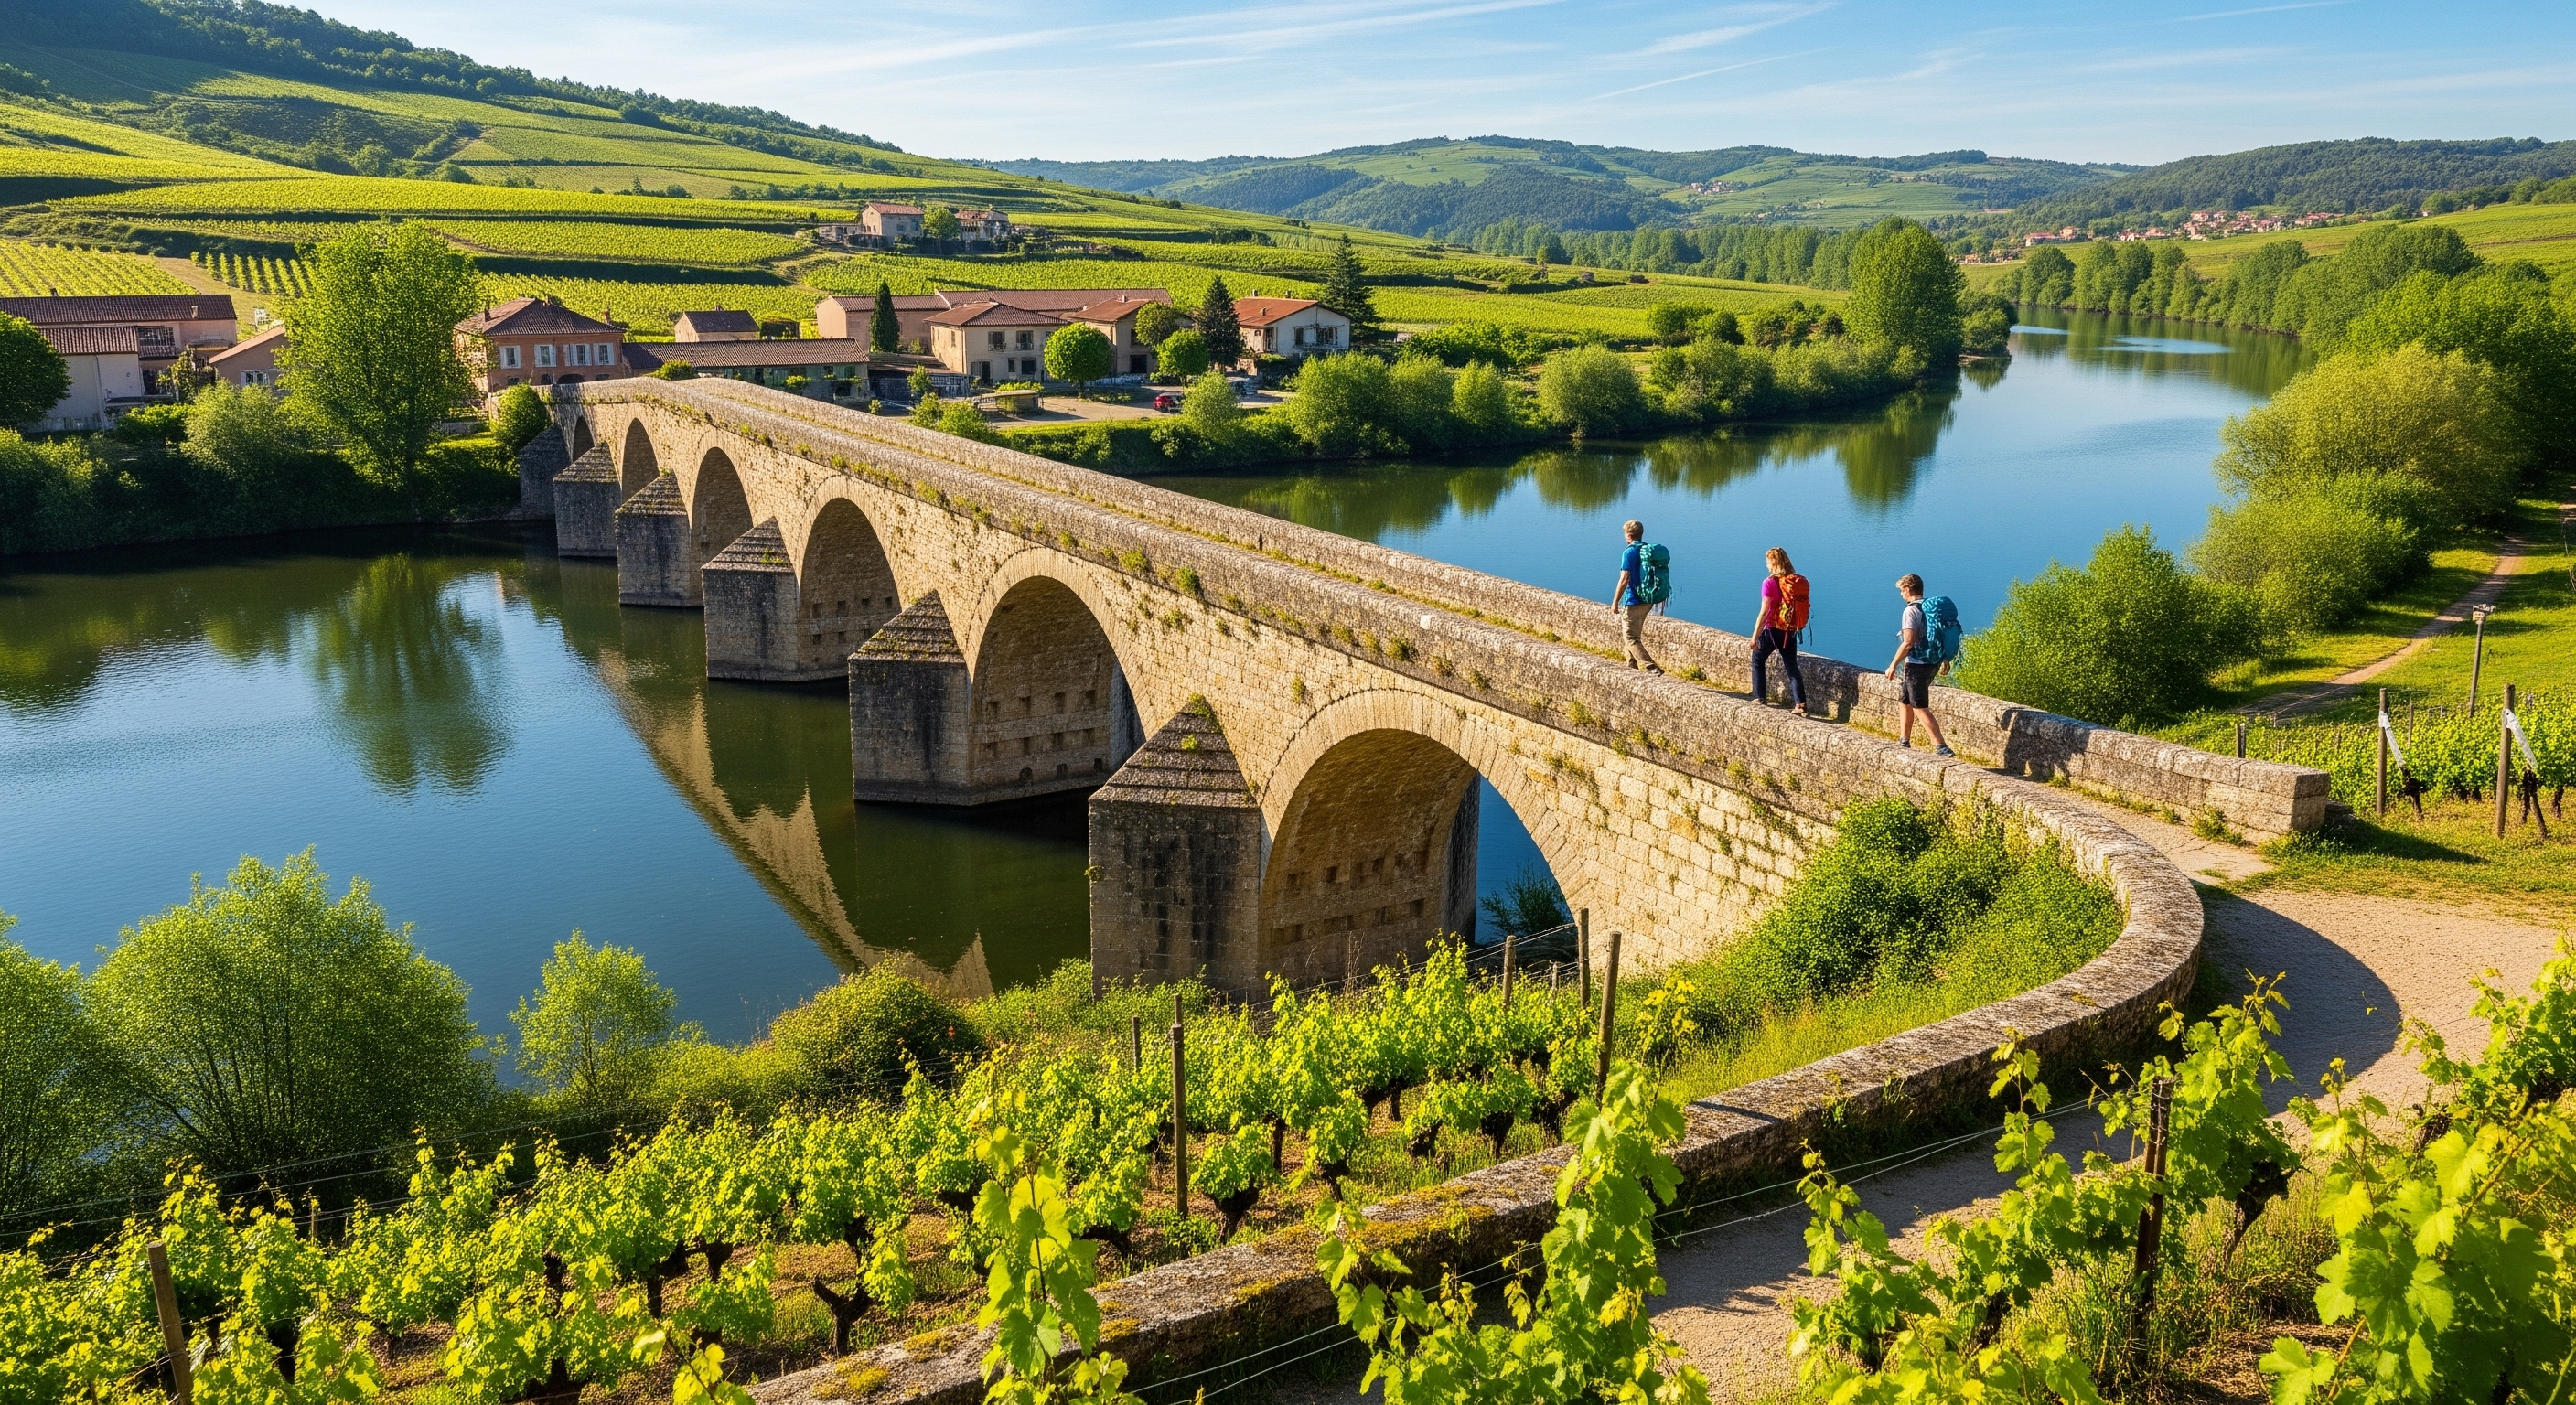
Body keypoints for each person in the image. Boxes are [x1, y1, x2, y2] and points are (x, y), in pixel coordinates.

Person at [1884, 574, 1953, 756]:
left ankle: (1941, 747)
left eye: (1901, 590)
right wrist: (1945, 658)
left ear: (1908, 588)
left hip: (1917, 665)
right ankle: (1904, 740)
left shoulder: (1911, 611)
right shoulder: (1930, 608)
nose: (1901, 594)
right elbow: (1939, 636)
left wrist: (1892, 665)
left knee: (1919, 705)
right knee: (1905, 700)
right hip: (1932, 662)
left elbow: (1908, 642)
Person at [1751, 546, 1809, 717]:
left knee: (1757, 659)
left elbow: (1764, 611)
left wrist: (1754, 637)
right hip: (1789, 631)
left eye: (1768, 562)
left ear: (1774, 563)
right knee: (1792, 668)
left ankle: (1759, 697)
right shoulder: (1793, 582)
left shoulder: (1770, 582)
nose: (1767, 566)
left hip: (1773, 629)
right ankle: (1801, 704)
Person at [1610, 519, 1662, 674]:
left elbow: (1624, 579)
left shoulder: (1629, 552)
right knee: (1632, 634)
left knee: (1631, 638)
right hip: (1648, 599)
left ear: (1628, 536)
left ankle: (1652, 667)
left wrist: (1615, 602)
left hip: (1634, 599)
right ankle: (1631, 667)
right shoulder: (1648, 550)